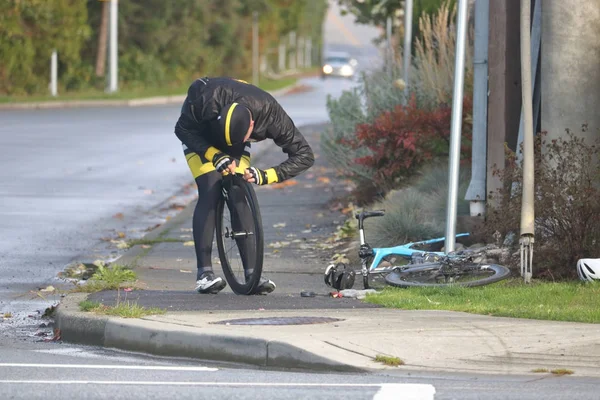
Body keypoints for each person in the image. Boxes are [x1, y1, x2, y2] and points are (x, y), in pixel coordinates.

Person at [174, 77, 315, 294]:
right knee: (210, 187)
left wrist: (266, 175)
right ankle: (204, 274)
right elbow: (182, 130)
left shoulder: (272, 115)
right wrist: (213, 154)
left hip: (237, 141)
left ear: (252, 126)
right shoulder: (205, 97)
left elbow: (305, 155)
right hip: (201, 135)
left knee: (237, 191)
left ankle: (252, 274)